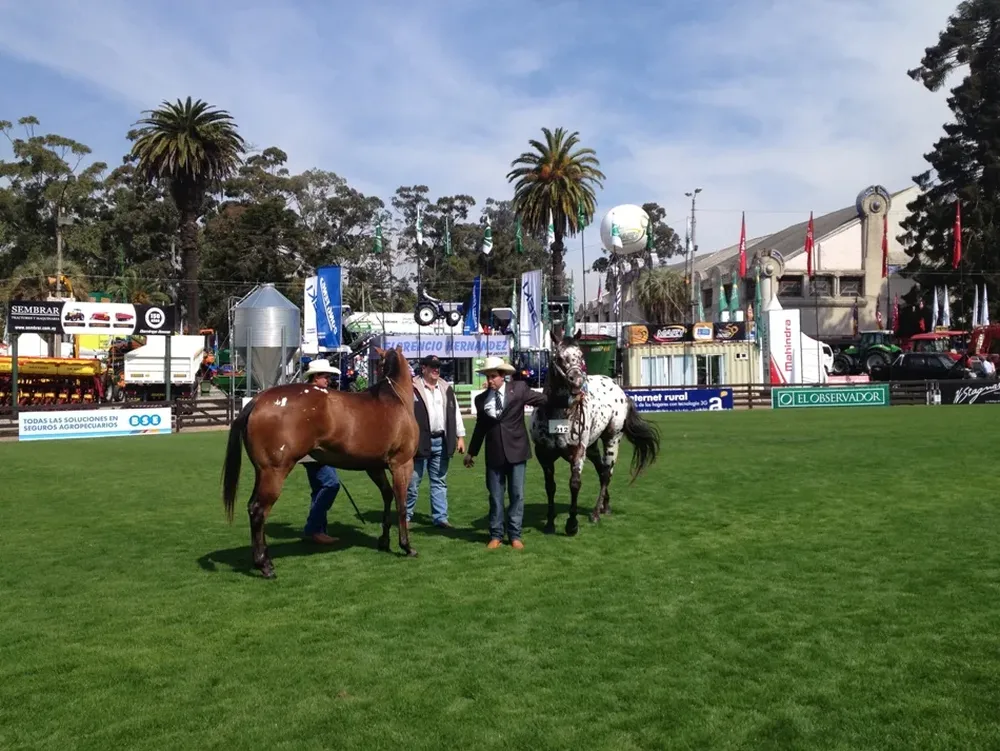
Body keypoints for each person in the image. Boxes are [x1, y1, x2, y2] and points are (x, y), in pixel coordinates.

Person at [464, 355, 557, 550]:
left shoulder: (519, 390)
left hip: (517, 452)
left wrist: (569, 398)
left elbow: (545, 400)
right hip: (494, 454)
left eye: (493, 377)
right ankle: (496, 535)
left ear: (503, 376)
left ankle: (515, 535)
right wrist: (471, 453)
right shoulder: (481, 401)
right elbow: (480, 427)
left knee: (517, 496)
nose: (489, 381)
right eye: (487, 377)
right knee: (496, 497)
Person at [407, 354, 465, 527]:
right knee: (412, 483)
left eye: (438, 366)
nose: (436, 369)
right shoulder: (412, 388)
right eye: (432, 366)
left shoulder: (446, 387)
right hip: (418, 441)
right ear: (423, 368)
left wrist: (460, 436)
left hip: (441, 440)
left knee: (439, 481)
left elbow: (455, 413)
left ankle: (440, 518)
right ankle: (406, 516)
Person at [299, 358, 342, 544]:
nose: (328, 380)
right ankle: (313, 528)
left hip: (318, 450)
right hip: (314, 450)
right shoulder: (311, 397)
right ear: (315, 377)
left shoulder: (310, 394)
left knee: (319, 488)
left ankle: (319, 531)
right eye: (325, 377)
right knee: (331, 484)